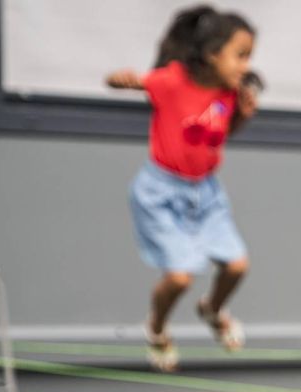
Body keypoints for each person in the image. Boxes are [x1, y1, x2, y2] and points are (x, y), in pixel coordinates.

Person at [107, 5, 261, 371]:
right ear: (212, 54)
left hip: (205, 193)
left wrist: (242, 116)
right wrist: (121, 80)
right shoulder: (172, 81)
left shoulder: (228, 95)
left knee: (237, 266)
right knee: (179, 277)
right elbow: (124, 82)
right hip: (160, 192)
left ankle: (212, 310)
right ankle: (157, 328)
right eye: (240, 56)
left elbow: (217, 134)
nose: (245, 67)